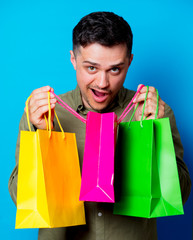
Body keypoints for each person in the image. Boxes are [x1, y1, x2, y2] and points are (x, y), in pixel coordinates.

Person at [8, 11, 191, 240]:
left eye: (115, 69)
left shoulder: (150, 111)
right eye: (91, 68)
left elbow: (181, 194)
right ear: (73, 60)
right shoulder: (45, 114)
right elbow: (20, 197)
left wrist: (156, 132)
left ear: (129, 62)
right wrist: (40, 135)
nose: (103, 84)